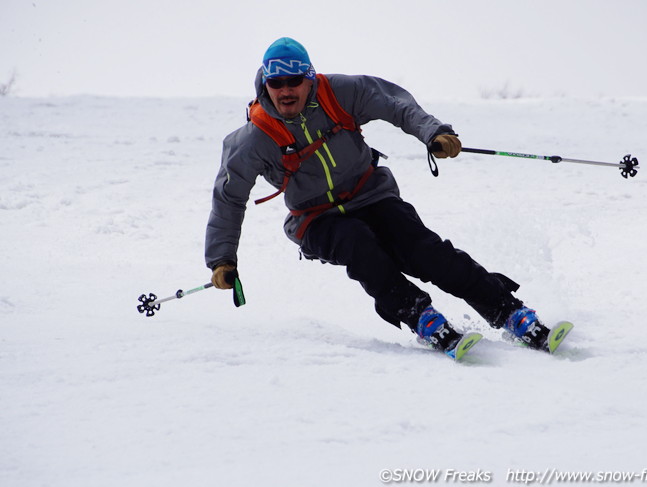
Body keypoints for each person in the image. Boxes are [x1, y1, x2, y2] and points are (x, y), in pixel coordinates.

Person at [205, 37, 551, 358]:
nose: (285, 91)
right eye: (276, 83)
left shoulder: (339, 93)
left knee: (425, 251)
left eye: (294, 81)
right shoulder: (252, 139)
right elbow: (229, 198)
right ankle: (421, 317)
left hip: (371, 195)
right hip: (316, 219)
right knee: (359, 243)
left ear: (310, 78)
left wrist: (435, 133)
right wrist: (222, 260)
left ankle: (509, 312)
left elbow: (395, 104)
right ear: (265, 84)